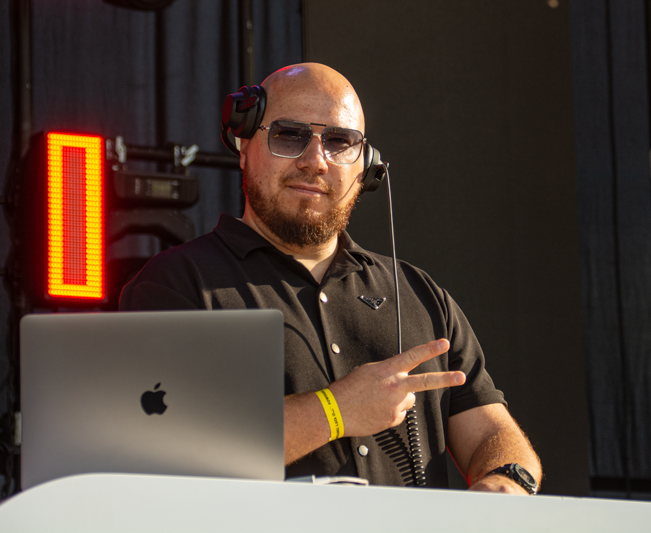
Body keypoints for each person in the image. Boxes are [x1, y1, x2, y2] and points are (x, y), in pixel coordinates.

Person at [119, 63, 542, 493]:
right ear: (244, 144)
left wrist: (507, 481)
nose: (315, 161)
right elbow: (169, 444)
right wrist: (334, 410)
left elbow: (492, 433)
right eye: (290, 135)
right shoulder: (174, 283)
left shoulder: (419, 295)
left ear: (367, 167)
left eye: (340, 142)